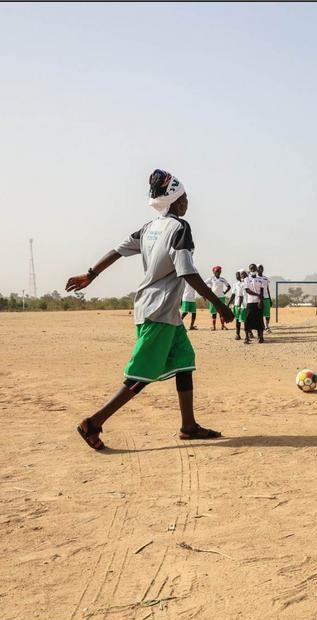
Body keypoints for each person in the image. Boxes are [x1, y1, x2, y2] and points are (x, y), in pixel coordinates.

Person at [66, 169, 234, 450]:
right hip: (159, 311)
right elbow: (187, 272)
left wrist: (91, 274)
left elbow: (118, 250)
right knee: (140, 376)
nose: (187, 203)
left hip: (163, 312)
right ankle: (93, 423)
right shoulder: (180, 228)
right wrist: (219, 305)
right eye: (185, 198)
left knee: (184, 363)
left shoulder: (148, 228)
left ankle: (188, 425)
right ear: (177, 202)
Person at [242, 263, 266, 344]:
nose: (253, 270)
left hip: (258, 302)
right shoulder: (246, 279)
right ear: (249, 270)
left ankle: (261, 337)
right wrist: (257, 295)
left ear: (256, 269)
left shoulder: (261, 279)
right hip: (250, 302)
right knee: (248, 319)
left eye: (254, 268)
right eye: (251, 269)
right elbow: (247, 290)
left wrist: (261, 300)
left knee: (260, 319)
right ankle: (246, 337)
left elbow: (262, 291)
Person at [206, 265, 231, 331]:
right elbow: (204, 284)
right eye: (217, 271)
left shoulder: (222, 279)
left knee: (221, 312)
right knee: (214, 313)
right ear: (213, 272)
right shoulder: (211, 279)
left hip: (221, 298)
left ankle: (223, 326)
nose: (218, 272)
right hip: (213, 298)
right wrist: (209, 290)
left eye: (219, 271)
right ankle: (214, 327)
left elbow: (229, 286)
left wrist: (224, 293)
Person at [258, 264, 273, 332]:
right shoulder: (255, 278)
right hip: (258, 298)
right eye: (259, 268)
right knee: (259, 314)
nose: (261, 269)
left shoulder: (266, 278)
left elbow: (267, 289)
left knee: (267, 314)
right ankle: (260, 326)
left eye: (262, 267)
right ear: (257, 269)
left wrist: (270, 299)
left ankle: (267, 326)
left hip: (266, 298)